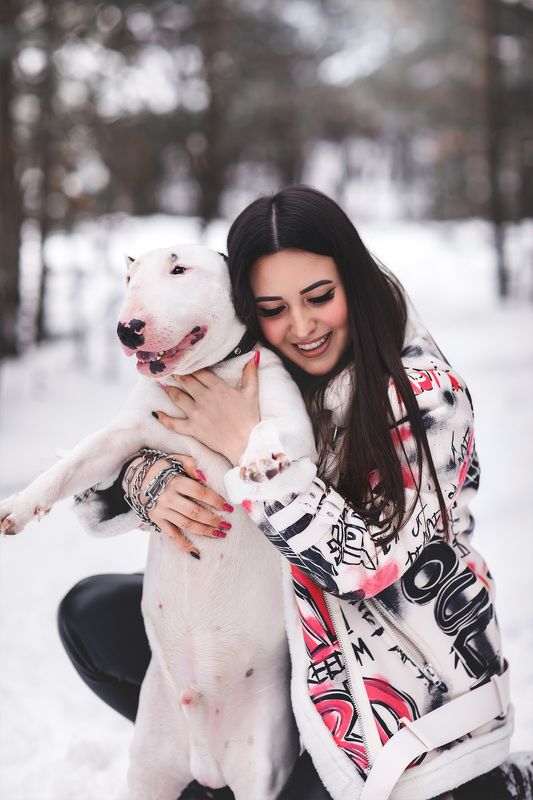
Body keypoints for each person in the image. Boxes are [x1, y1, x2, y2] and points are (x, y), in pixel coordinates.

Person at [58, 186, 531, 800]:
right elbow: (141, 439)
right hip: (294, 652)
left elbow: (368, 566)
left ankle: (500, 784)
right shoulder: (260, 371)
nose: (302, 327)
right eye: (273, 308)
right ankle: (231, 762)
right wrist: (146, 482)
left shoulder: (422, 396)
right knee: (92, 614)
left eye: (320, 297)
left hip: (404, 702)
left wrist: (246, 445)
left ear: (352, 285)